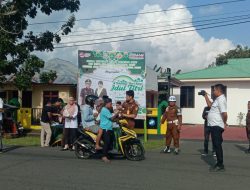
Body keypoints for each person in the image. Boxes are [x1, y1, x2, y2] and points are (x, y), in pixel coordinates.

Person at [203, 84, 227, 172]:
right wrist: (205, 95)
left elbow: (224, 113)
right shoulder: (218, 99)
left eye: (214, 90)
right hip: (213, 125)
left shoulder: (221, 99)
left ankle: (220, 164)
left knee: (217, 145)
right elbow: (210, 105)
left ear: (218, 90)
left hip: (217, 126)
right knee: (216, 145)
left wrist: (224, 123)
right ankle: (219, 163)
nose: (213, 92)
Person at [99, 97, 118, 163]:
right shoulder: (104, 110)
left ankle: (107, 153)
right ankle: (104, 156)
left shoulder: (107, 110)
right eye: (110, 104)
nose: (111, 105)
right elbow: (112, 118)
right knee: (107, 142)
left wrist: (117, 120)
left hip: (109, 128)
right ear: (106, 104)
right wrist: (117, 113)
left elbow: (111, 119)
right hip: (105, 128)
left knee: (110, 141)